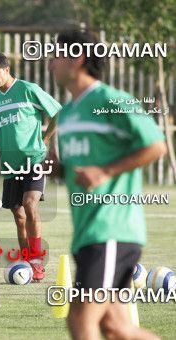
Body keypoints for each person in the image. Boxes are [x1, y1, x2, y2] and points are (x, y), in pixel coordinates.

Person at [49, 30, 164, 340]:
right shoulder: (69, 113)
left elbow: (156, 146)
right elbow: (77, 170)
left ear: (78, 59)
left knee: (80, 318)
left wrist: (106, 171)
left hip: (112, 229)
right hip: (88, 232)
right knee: (116, 329)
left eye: (56, 55)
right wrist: (54, 168)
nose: (50, 62)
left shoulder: (112, 101)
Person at [0, 52, 60, 281]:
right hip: (10, 166)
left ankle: (36, 261)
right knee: (18, 214)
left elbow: (57, 113)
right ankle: (26, 259)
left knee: (29, 203)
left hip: (34, 159)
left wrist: (44, 140)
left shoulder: (27, 89)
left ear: (6, 69)